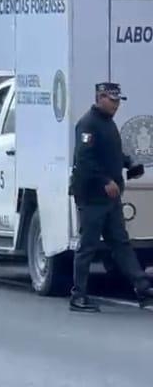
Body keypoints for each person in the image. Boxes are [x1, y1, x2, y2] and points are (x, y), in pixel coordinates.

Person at [69, 82, 153, 312]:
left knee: (121, 243)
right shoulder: (88, 124)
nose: (116, 105)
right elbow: (84, 160)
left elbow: (112, 153)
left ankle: (142, 288)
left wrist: (129, 163)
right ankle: (78, 296)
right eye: (112, 100)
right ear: (100, 98)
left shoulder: (108, 123)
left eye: (118, 101)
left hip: (110, 198)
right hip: (92, 197)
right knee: (88, 246)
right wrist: (104, 181)